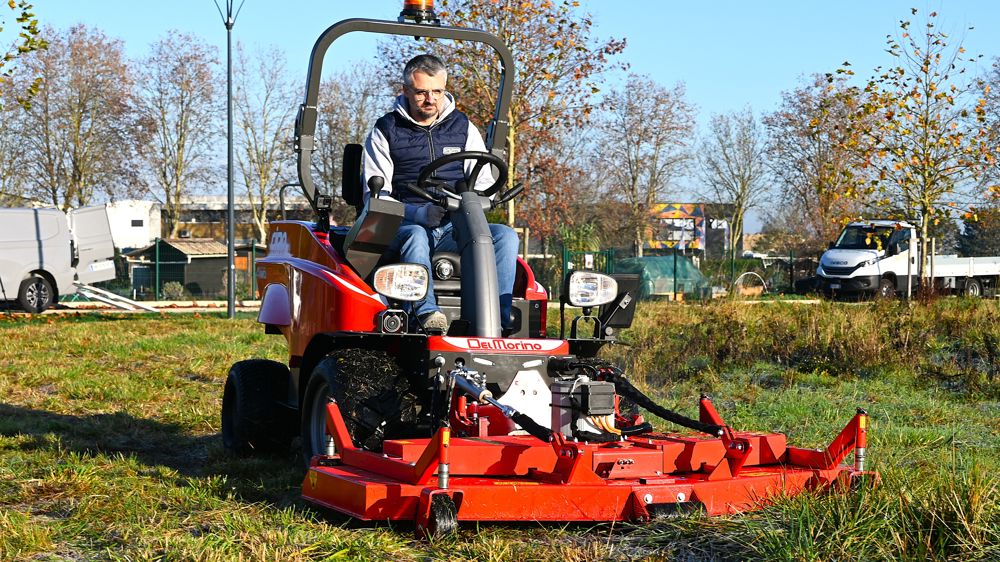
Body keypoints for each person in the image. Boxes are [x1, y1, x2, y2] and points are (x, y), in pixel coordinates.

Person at [362, 54, 518, 334]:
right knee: (416, 235)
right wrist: (419, 213)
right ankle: (427, 313)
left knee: (504, 236)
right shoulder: (386, 130)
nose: (430, 99)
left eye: (437, 91)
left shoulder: (462, 127)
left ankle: (499, 316)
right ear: (406, 91)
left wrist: (470, 203)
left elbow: (481, 177)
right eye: (421, 92)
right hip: (404, 226)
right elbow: (376, 198)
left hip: (452, 226)